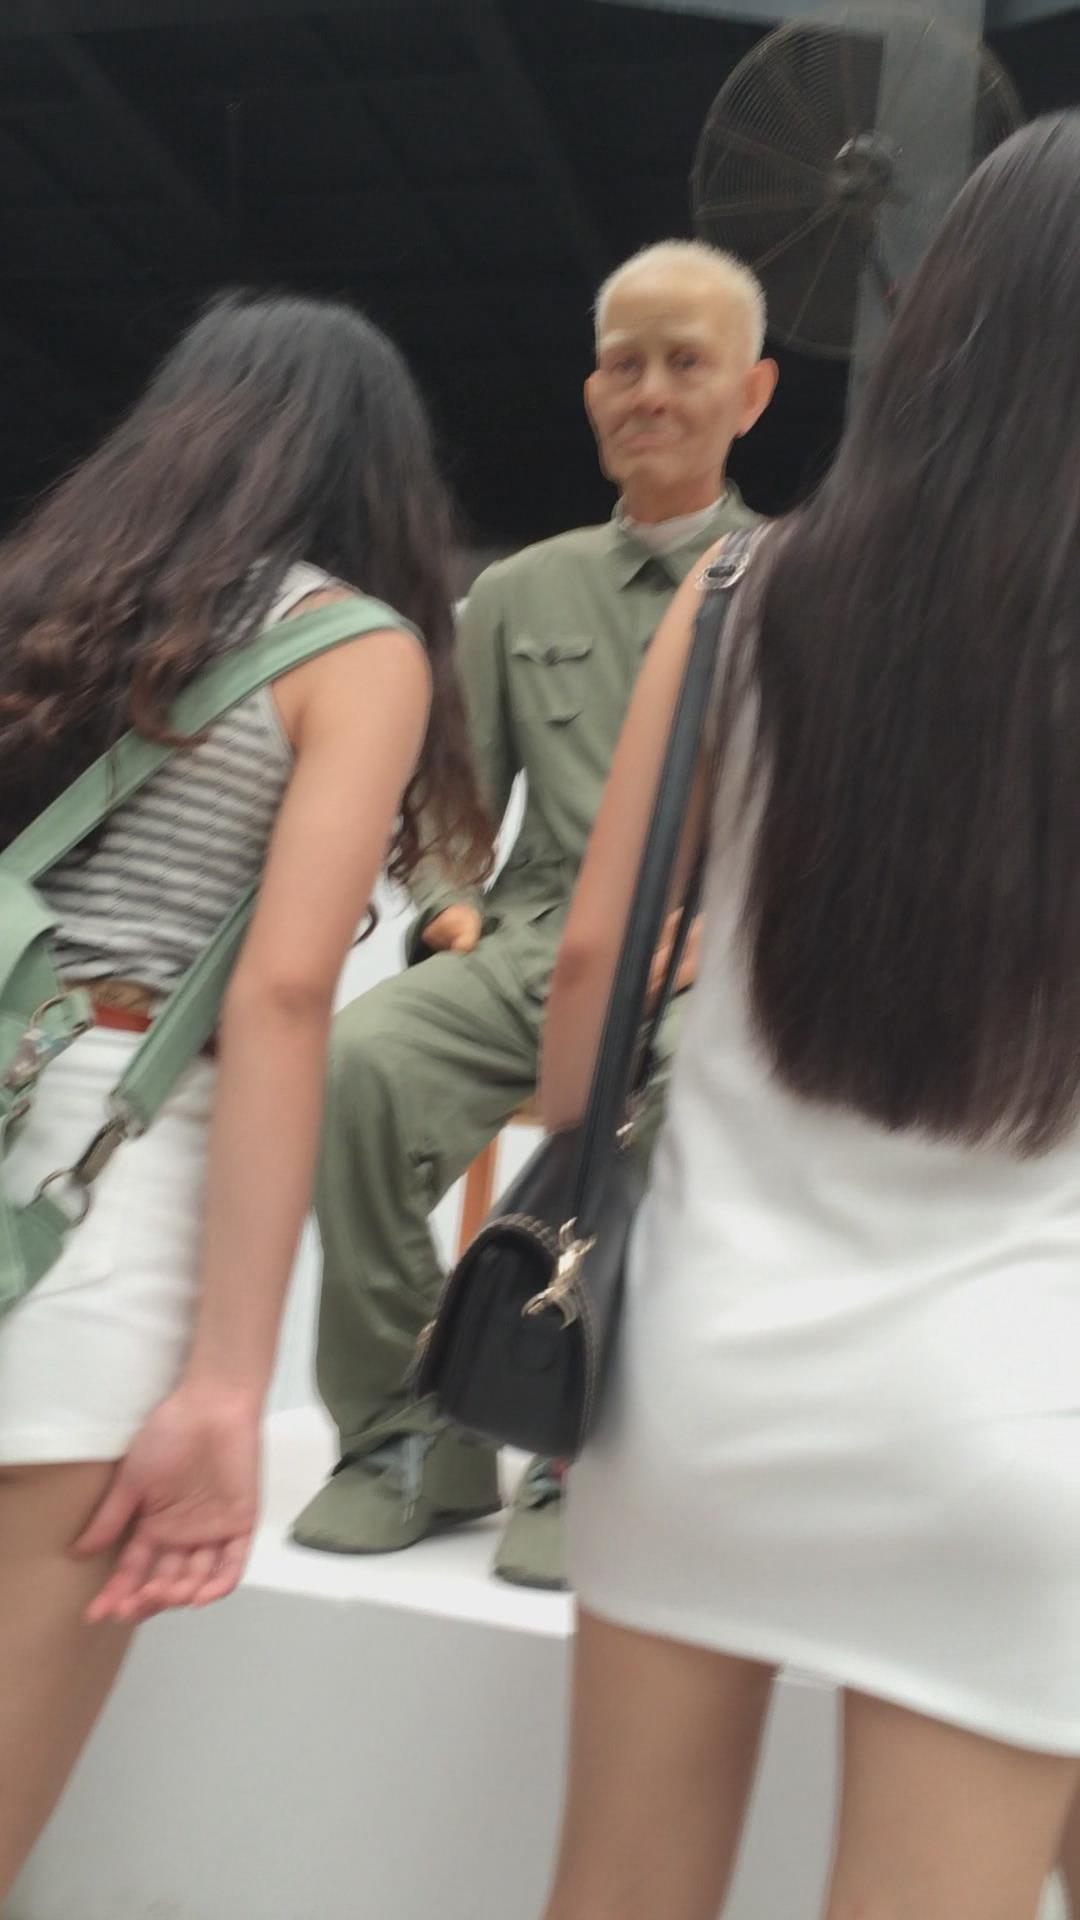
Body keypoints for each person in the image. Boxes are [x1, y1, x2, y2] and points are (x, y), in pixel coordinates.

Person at [537, 113, 1080, 1920]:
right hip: (1012, 1421)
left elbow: (597, 962)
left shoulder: (742, 593)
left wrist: (567, 1199)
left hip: (700, 1381)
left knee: (618, 1888)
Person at [0, 291, 491, 1901]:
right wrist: (228, 1386)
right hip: (92, 1183)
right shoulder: (355, 650)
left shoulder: (35, 596)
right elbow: (282, 996)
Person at [293, 240, 777, 1589]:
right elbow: (454, 797)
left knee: (678, 1100)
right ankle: (406, 1434)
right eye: (625, 365)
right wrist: (449, 904)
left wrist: (732, 935)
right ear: (592, 392)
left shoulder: (804, 586)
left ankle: (587, 1442)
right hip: (529, 946)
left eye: (688, 363)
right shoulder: (516, 594)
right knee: (361, 1062)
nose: (651, 391)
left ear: (752, 394)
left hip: (712, 963)